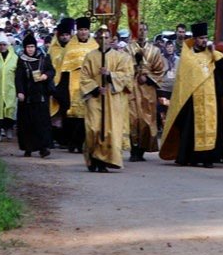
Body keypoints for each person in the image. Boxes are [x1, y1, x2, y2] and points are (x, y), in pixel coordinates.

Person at [159, 22, 223, 168]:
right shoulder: (188, 58)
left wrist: (215, 55)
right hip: (193, 101)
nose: (204, 41)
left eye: (206, 38)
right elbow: (183, 81)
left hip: (212, 101)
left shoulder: (214, 56)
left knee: (213, 128)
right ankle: (190, 157)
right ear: (194, 39)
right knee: (191, 129)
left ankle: (208, 158)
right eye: (201, 38)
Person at [79, 27, 134, 172]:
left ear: (111, 39)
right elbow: (84, 77)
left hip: (113, 99)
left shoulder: (120, 57)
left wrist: (110, 75)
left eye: (106, 37)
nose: (103, 41)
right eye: (100, 38)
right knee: (94, 128)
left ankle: (104, 161)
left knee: (109, 130)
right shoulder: (90, 56)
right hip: (95, 98)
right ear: (96, 39)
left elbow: (128, 76)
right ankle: (93, 159)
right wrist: (96, 88)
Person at [55, 17, 98, 154]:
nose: (83, 32)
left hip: (90, 83)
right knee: (72, 114)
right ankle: (71, 143)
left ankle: (84, 142)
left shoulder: (95, 46)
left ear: (88, 31)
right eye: (80, 30)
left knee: (88, 113)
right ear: (77, 31)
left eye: (85, 30)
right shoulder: (70, 46)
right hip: (72, 83)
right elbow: (63, 66)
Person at [127, 23, 165, 162]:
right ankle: (133, 148)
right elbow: (123, 67)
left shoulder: (154, 51)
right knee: (133, 119)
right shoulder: (128, 49)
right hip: (132, 88)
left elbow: (160, 70)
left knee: (146, 119)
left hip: (147, 90)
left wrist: (147, 77)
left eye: (144, 30)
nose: (142, 32)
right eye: (139, 30)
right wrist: (134, 70)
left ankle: (142, 149)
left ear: (148, 31)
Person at [15, 32, 56, 158]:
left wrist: (46, 75)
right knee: (27, 124)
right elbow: (19, 78)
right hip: (27, 97)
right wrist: (20, 92)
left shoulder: (43, 58)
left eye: (32, 47)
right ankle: (28, 147)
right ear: (25, 48)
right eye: (28, 47)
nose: (30, 49)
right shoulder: (21, 60)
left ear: (35, 47)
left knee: (42, 123)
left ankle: (44, 148)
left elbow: (52, 70)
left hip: (41, 95)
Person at [47, 17, 74, 146]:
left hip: (69, 82)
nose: (64, 37)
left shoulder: (74, 48)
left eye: (67, 35)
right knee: (54, 111)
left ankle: (66, 139)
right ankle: (54, 137)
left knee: (67, 111)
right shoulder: (53, 49)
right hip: (55, 82)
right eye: (62, 35)